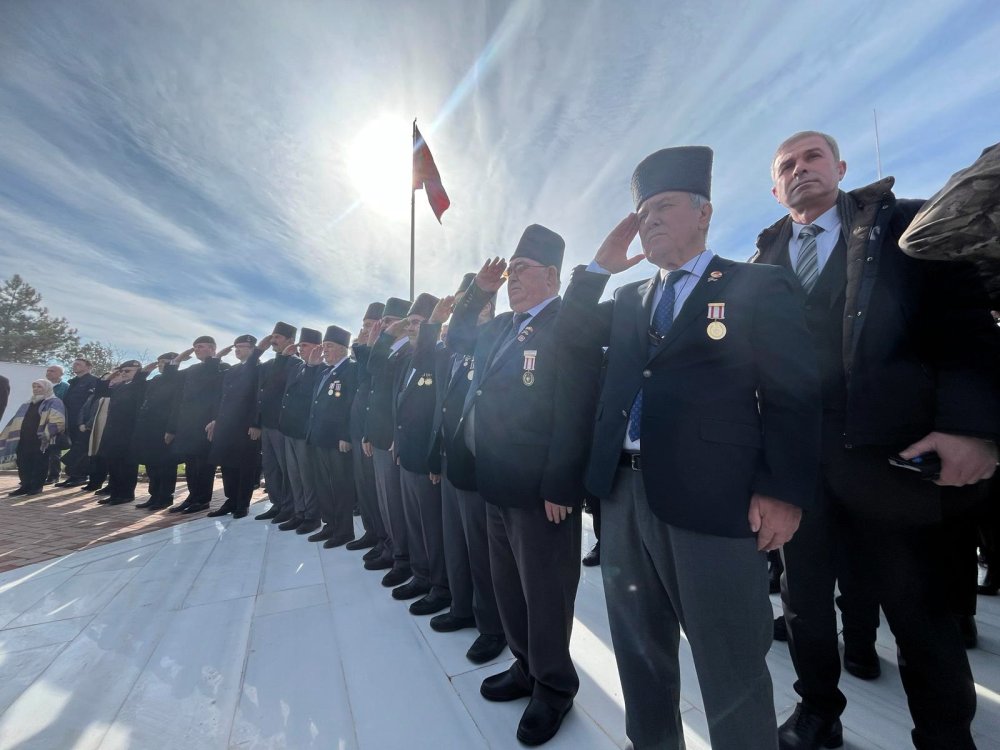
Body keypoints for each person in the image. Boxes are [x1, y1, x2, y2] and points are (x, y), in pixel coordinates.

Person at [557, 146, 821, 750]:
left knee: (731, 659)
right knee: (638, 651)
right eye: (642, 212)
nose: (649, 220)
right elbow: (568, 337)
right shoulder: (629, 301)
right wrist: (597, 269)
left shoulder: (756, 284)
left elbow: (794, 393)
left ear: (704, 213)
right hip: (622, 495)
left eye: (664, 207)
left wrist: (783, 491)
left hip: (714, 497)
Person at [754, 130, 1000, 750]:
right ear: (775, 189)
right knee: (805, 603)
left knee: (920, 608)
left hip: (890, 457)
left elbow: (965, 327)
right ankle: (818, 712)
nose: (800, 169)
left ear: (840, 167)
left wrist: (972, 427)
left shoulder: (908, 228)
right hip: (798, 467)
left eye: (813, 157)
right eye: (787, 165)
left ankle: (945, 736)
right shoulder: (757, 266)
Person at [447, 225, 595, 747]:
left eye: (522, 270)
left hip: (540, 491)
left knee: (546, 594)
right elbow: (456, 338)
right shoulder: (501, 328)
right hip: (496, 482)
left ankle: (554, 686)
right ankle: (526, 666)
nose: (512, 278)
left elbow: (575, 409)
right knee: (509, 588)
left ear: (552, 275)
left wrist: (562, 484)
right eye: (509, 271)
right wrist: (477, 292)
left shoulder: (566, 322)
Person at [421, 275, 508, 665]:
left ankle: (493, 626)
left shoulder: (497, 340)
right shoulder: (453, 353)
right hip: (450, 462)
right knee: (456, 542)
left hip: (478, 465)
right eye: (459, 305)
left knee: (483, 552)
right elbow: (438, 397)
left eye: (469, 303)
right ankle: (462, 607)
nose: (461, 311)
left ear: (487, 306)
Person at [387, 293, 452, 615]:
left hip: (428, 459)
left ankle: (441, 586)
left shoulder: (441, 355)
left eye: (417, 323)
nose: (411, 327)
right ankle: (421, 575)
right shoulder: (408, 362)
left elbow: (441, 411)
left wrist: (434, 456)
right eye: (410, 323)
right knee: (415, 522)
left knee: (432, 527)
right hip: (407, 454)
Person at [362, 297, 414, 584]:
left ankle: (403, 557)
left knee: (395, 504)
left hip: (394, 438)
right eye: (382, 322)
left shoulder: (407, 351)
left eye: (389, 321)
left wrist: (396, 433)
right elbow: (374, 389)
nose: (384, 326)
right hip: (380, 435)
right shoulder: (391, 352)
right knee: (385, 501)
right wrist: (369, 433)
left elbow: (402, 401)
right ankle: (391, 548)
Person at [304, 325, 358, 547]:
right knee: (323, 485)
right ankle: (330, 525)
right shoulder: (324, 371)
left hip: (337, 440)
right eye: (324, 345)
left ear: (343, 348)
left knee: (340, 486)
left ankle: (344, 531)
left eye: (330, 346)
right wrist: (311, 365)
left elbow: (351, 404)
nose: (325, 350)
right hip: (319, 437)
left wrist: (346, 434)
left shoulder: (351, 369)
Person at [165, 336, 230, 514]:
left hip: (206, 423)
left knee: (203, 464)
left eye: (201, 346)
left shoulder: (222, 367)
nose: (196, 350)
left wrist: (217, 419)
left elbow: (220, 395)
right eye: (195, 347)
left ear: (212, 348)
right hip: (188, 423)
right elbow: (171, 378)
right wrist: (178, 360)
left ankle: (202, 499)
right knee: (191, 463)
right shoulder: (193, 369)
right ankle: (192, 497)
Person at [207, 335, 269, 519]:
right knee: (227, 463)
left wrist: (257, 423)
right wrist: (216, 420)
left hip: (246, 425)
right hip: (227, 424)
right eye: (236, 347)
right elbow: (223, 397)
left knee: (245, 465)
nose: (237, 350)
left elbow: (260, 397)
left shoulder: (259, 368)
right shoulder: (232, 370)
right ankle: (231, 500)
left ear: (252, 349)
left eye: (242, 346)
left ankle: (242, 503)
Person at [346, 302, 388, 555]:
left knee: (377, 491)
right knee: (364, 488)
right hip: (359, 427)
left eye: (371, 325)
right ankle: (372, 532)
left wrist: (368, 348)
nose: (365, 330)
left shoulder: (384, 354)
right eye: (363, 326)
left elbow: (372, 379)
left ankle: (385, 539)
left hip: (374, 430)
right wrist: (361, 347)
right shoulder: (364, 352)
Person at [277, 327, 324, 534]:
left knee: (307, 476)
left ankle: (312, 516)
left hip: (304, 432)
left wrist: (312, 366)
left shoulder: (322, 368)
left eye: (305, 345)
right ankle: (299, 512)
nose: (300, 348)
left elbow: (308, 395)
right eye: (300, 345)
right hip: (289, 429)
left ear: (317, 347)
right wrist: (283, 357)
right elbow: (279, 384)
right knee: (294, 476)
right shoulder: (297, 367)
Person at [253, 322, 298, 521]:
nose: (273, 340)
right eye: (272, 336)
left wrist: (284, 358)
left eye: (277, 337)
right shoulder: (267, 365)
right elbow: (259, 392)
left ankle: (290, 506)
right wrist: (256, 422)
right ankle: (277, 503)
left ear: (290, 341)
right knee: (270, 467)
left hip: (283, 425)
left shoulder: (296, 363)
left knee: (286, 468)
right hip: (266, 424)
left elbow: (282, 386)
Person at [93, 360, 152, 505]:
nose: (123, 373)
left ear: (138, 372)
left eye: (127, 371)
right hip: (113, 431)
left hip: (128, 432)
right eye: (122, 371)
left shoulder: (141, 385)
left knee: (126, 465)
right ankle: (115, 493)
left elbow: (140, 381)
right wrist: (113, 374)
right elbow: (101, 390)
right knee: (113, 464)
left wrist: (141, 373)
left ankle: (126, 494)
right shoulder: (119, 386)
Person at [0, 379, 67, 497]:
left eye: (39, 387)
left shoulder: (54, 402)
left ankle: (36, 487)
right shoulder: (28, 403)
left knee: (39, 463)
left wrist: (47, 434)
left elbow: (58, 420)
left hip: (41, 440)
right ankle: (25, 486)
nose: (36, 389)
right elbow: (16, 420)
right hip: (23, 439)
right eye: (34, 387)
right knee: (23, 462)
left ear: (47, 388)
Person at [133, 352, 181, 510]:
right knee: (151, 463)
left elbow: (176, 406)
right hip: (149, 428)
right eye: (158, 362)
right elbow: (138, 384)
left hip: (164, 428)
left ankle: (165, 497)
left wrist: (171, 429)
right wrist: (146, 370)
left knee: (165, 465)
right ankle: (154, 496)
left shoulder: (178, 379)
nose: (160, 365)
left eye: (164, 362)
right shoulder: (156, 379)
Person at [54, 358, 100, 488]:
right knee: (74, 447)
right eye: (74, 364)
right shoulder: (73, 382)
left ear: (88, 367)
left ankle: (80, 476)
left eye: (79, 364)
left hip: (81, 422)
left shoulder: (93, 381)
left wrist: (84, 422)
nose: (75, 366)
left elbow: (91, 404)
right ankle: (73, 476)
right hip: (70, 420)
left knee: (81, 449)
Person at [44, 365, 68, 483]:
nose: (49, 373)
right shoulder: (43, 385)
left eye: (52, 371)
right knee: (41, 450)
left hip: (56, 421)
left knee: (54, 450)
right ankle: (39, 475)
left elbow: (66, 404)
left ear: (61, 374)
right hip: (41, 422)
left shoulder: (65, 387)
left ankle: (54, 475)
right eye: (48, 371)